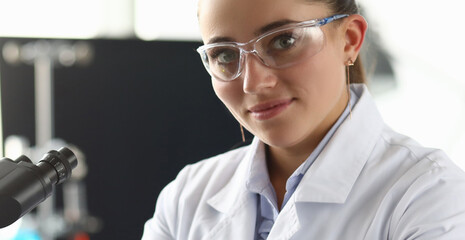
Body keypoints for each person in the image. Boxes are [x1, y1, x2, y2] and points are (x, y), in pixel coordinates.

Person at [141, 0, 465, 239]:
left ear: (350, 40)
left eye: (284, 41)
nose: (253, 83)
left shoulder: (432, 195)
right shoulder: (186, 197)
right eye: (225, 55)